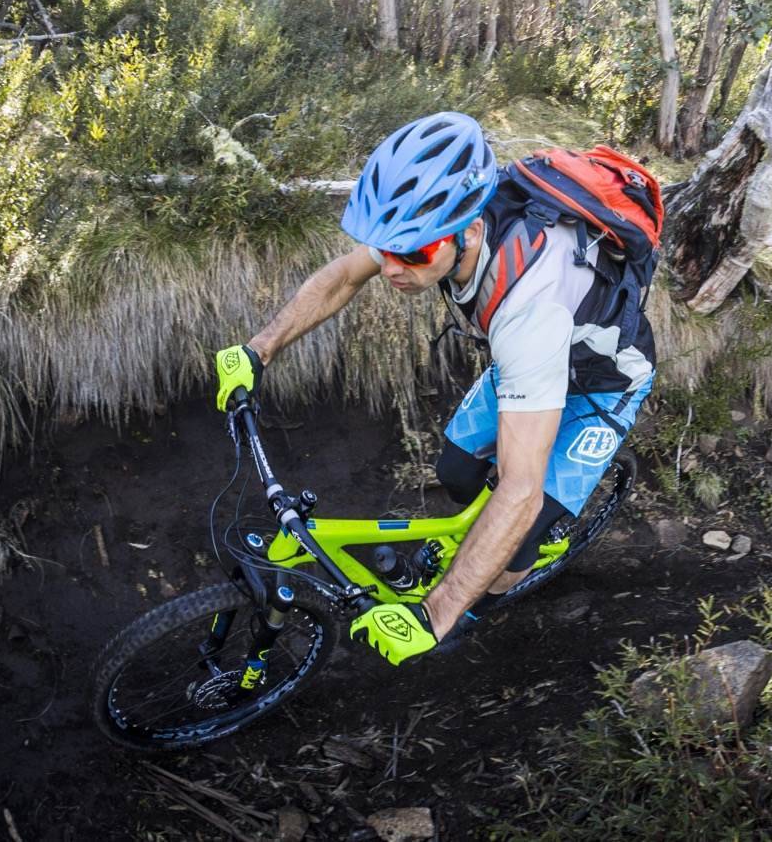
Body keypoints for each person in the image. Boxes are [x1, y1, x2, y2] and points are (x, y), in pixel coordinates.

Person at [212, 112, 656, 665]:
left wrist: (437, 612)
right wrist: (259, 350)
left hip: (600, 383)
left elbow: (521, 488)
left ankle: (530, 552)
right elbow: (345, 276)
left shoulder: (527, 307)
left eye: (414, 255)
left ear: (469, 230)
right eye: (387, 249)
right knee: (456, 472)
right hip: (530, 366)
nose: (393, 268)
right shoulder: (430, 223)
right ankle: (487, 535)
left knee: (514, 541)